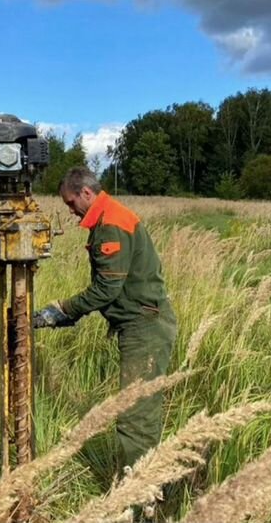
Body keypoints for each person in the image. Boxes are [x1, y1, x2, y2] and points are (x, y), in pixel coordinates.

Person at [34, 166, 177, 470]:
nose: (71, 212)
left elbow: (106, 289)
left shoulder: (111, 223)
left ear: (86, 193)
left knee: (136, 413)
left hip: (145, 326)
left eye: (71, 203)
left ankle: (136, 500)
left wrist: (62, 310)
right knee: (138, 409)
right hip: (141, 322)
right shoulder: (107, 216)